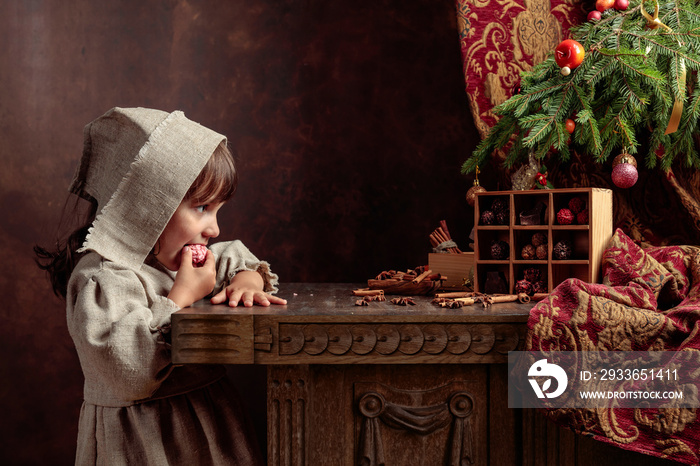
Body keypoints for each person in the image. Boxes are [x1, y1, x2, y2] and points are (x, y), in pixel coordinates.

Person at [35, 107, 286, 465]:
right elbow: (131, 372)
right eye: (201, 208)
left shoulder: (178, 260)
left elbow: (234, 257)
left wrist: (248, 279)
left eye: (218, 211)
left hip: (210, 430)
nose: (213, 229)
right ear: (147, 207)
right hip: (145, 441)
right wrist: (180, 298)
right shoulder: (104, 278)